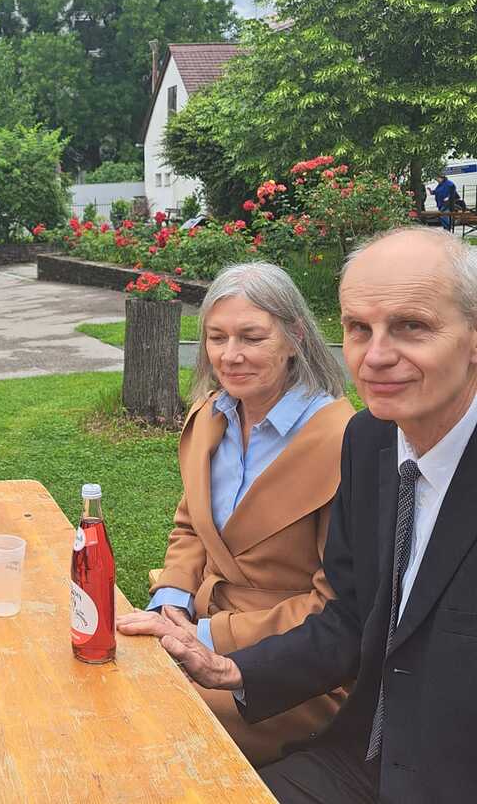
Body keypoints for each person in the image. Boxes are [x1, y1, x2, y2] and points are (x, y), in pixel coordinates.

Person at [129, 227, 477, 802]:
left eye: (412, 326)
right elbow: (351, 617)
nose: (376, 355)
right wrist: (231, 670)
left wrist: (215, 636)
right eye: (358, 328)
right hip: (364, 750)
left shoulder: (337, 435)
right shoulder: (371, 440)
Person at [117, 263, 354, 764]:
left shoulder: (343, 442)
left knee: (143, 722)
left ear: (295, 337)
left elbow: (335, 608)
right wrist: (171, 602)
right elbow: (191, 526)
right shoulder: (211, 416)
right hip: (197, 626)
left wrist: (206, 636)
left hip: (291, 670)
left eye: (252, 337)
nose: (230, 355)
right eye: (216, 337)